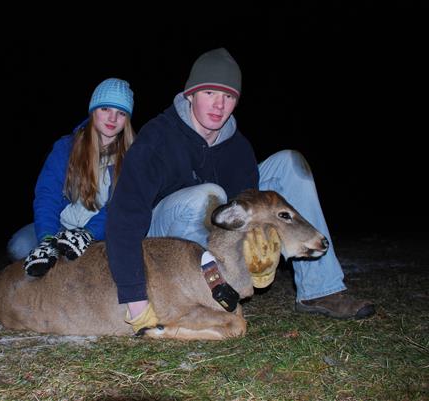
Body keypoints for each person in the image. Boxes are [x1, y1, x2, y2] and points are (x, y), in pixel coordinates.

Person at [105, 48, 375, 333]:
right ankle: (202, 298)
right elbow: (125, 217)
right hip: (161, 244)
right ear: (190, 95)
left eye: (229, 97)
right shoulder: (157, 139)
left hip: (214, 236)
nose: (219, 105)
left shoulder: (239, 148)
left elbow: (251, 217)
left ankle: (320, 288)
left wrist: (258, 254)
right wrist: (135, 300)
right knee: (207, 195)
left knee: (288, 164)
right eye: (210, 93)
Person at [7, 78, 136, 277]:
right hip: (60, 226)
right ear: (93, 110)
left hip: (102, 232)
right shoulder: (66, 147)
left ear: (127, 119)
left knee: (98, 262)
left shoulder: (133, 156)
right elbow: (47, 195)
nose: (112, 119)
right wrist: (47, 238)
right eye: (105, 109)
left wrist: (89, 234)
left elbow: (122, 205)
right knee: (20, 246)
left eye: (121, 113)